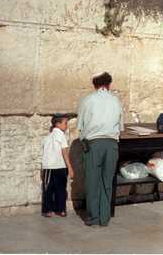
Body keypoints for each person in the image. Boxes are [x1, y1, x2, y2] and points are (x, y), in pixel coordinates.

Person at [77, 71, 124, 227]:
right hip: (111, 145)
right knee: (107, 182)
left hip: (93, 144)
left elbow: (80, 126)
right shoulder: (116, 101)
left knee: (92, 182)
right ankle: (104, 218)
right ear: (109, 84)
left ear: (94, 84)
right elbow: (120, 126)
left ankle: (93, 217)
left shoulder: (87, 100)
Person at [41, 114, 74, 217]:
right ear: (57, 124)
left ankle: (48, 210)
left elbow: (43, 153)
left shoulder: (47, 137)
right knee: (61, 189)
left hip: (48, 167)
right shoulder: (61, 135)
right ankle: (61, 210)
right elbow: (64, 152)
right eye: (65, 123)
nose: (67, 126)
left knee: (48, 189)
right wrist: (70, 167)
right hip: (60, 166)